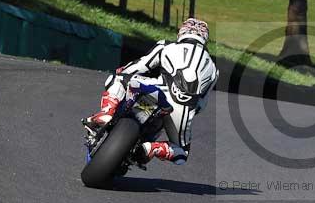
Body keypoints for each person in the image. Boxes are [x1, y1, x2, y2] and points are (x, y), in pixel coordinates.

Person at [83, 18, 218, 165]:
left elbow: (141, 66)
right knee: (182, 154)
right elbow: (201, 104)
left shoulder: (167, 46)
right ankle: (152, 148)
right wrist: (187, 111)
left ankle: (107, 112)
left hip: (158, 88)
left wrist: (123, 72)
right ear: (205, 38)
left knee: (116, 79)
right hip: (182, 111)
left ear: (182, 32)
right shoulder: (213, 69)